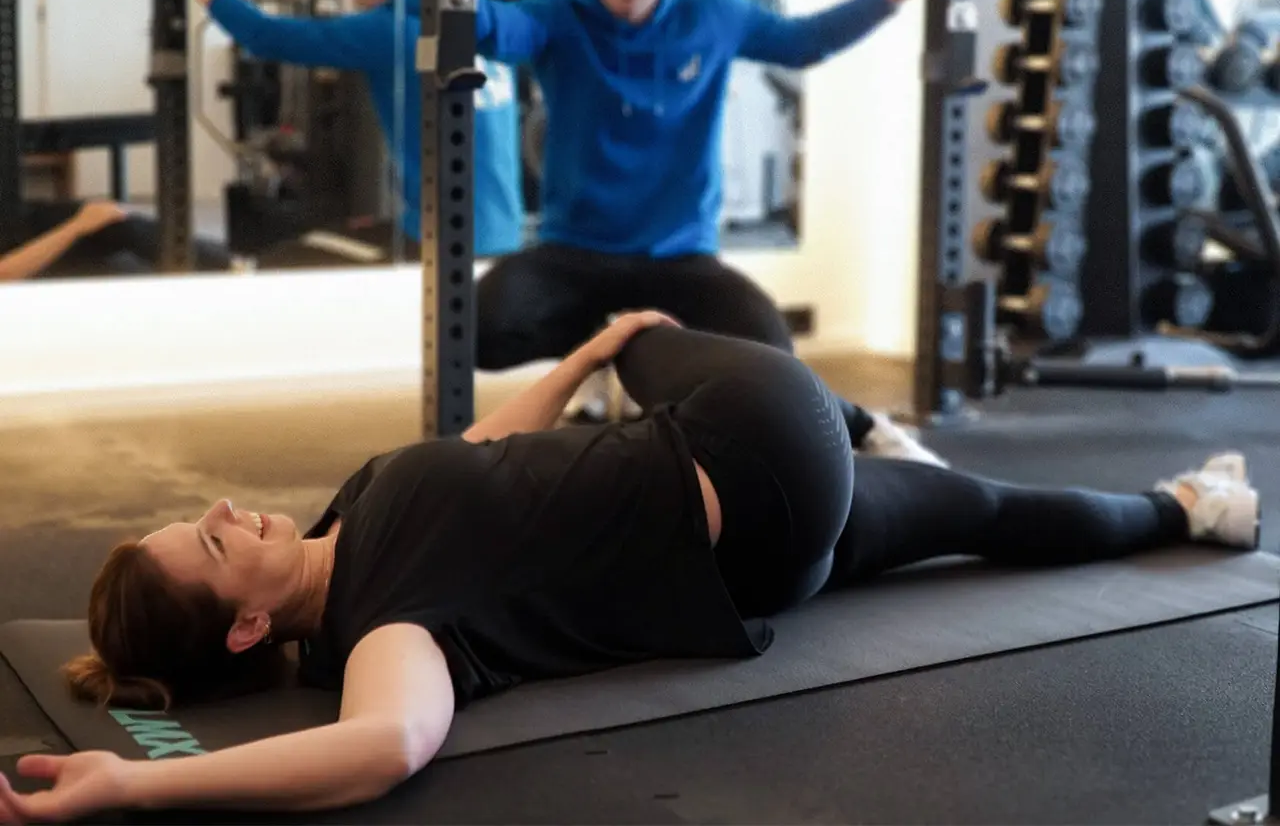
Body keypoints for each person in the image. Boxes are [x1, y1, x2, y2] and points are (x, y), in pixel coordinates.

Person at [0, 312, 1260, 822]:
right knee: (655, 324)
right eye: (213, 543)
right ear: (242, 631)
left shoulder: (348, 520)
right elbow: (385, 746)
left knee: (973, 509)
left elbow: (484, 449)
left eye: (205, 514)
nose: (226, 509)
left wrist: (573, 361)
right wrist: (137, 789)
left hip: (766, 563)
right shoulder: (385, 630)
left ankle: (1180, 509)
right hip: (753, 447)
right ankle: (843, 415)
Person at [408, 0, 940, 432]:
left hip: (680, 257)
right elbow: (488, 26)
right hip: (577, 253)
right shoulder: (560, 14)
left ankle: (645, 355)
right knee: (472, 330)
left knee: (771, 355)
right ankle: (602, 345)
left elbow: (805, 41)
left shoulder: (712, 14)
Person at [149, 0, 525, 261]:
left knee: (282, 264)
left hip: (441, 242)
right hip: (506, 236)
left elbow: (262, 35)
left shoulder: (392, 30)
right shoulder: (480, 26)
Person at [0, 199, 232, 281]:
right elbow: (5, 272)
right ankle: (234, 263)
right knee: (130, 258)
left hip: (31, 227)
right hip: (38, 257)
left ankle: (234, 260)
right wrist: (77, 226)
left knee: (124, 228)